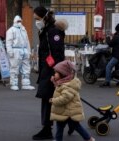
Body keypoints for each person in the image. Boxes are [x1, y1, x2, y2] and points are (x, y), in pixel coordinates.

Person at [32, 6, 67, 140]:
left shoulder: (52, 31)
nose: (36, 21)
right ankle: (64, 125)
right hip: (47, 70)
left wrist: (56, 72)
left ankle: (47, 129)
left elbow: (57, 53)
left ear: (45, 17)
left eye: (37, 19)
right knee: (50, 99)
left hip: (51, 71)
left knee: (48, 99)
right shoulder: (46, 30)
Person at [49, 60, 95, 141]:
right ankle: (88, 138)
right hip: (65, 111)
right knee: (63, 126)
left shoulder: (67, 86)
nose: (54, 74)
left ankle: (88, 138)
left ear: (63, 74)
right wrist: (54, 80)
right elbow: (59, 86)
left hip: (69, 112)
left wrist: (54, 100)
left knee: (73, 126)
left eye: (56, 73)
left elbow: (65, 98)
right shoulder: (64, 82)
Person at [6, 15, 35, 91]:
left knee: (26, 68)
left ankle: (26, 84)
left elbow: (27, 41)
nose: (19, 23)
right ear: (15, 22)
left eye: (20, 21)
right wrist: (10, 51)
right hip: (15, 51)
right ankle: (14, 84)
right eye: (18, 21)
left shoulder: (23, 29)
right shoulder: (11, 30)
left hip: (24, 50)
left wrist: (29, 51)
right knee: (14, 67)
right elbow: (8, 42)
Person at [100, 23, 119, 87]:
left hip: (117, 55)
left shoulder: (117, 37)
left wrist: (107, 37)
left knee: (108, 67)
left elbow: (110, 44)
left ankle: (107, 81)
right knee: (118, 68)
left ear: (117, 29)